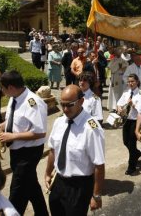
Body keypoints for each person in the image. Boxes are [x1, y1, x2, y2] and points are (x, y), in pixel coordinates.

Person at [0, 70, 48, 216]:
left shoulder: (33, 102)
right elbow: (13, 120)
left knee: (17, 192)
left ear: (10, 87)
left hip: (29, 153)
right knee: (31, 186)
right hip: (17, 152)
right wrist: (1, 126)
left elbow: (40, 132)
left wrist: (13, 137)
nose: (2, 91)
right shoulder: (14, 97)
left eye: (2, 88)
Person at [45, 85, 104, 215]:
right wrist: (48, 173)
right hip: (58, 182)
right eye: (62, 105)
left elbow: (99, 165)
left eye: (69, 105)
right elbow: (53, 151)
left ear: (81, 101)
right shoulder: (59, 122)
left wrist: (96, 195)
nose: (65, 109)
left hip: (79, 187)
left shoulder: (91, 128)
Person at [117, 74, 141, 175]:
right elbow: (119, 103)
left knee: (132, 144)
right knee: (125, 141)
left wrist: (133, 105)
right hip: (126, 120)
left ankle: (131, 166)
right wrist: (119, 108)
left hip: (135, 121)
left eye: (132, 81)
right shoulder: (126, 93)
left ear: (137, 82)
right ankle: (136, 153)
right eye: (129, 82)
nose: (130, 83)